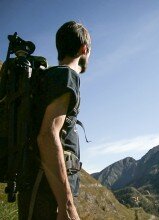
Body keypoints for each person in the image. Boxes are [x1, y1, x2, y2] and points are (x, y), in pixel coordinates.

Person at [17, 21, 91, 220]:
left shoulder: (51, 78)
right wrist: (66, 205)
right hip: (46, 194)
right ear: (84, 49)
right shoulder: (67, 76)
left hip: (42, 189)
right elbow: (48, 135)